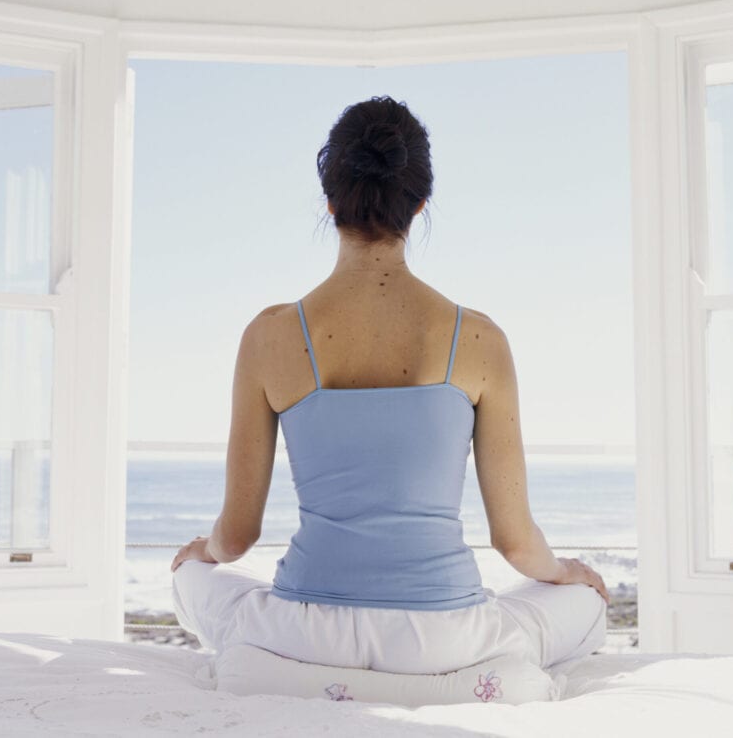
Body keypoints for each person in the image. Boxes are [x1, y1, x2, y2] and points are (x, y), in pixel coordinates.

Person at [170, 95, 608, 675]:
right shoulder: (479, 340)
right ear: (420, 204)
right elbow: (517, 545)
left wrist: (201, 553)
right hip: (443, 641)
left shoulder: (269, 337)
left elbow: (237, 536)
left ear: (330, 204)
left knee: (192, 578)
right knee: (584, 604)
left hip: (302, 634)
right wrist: (569, 575)